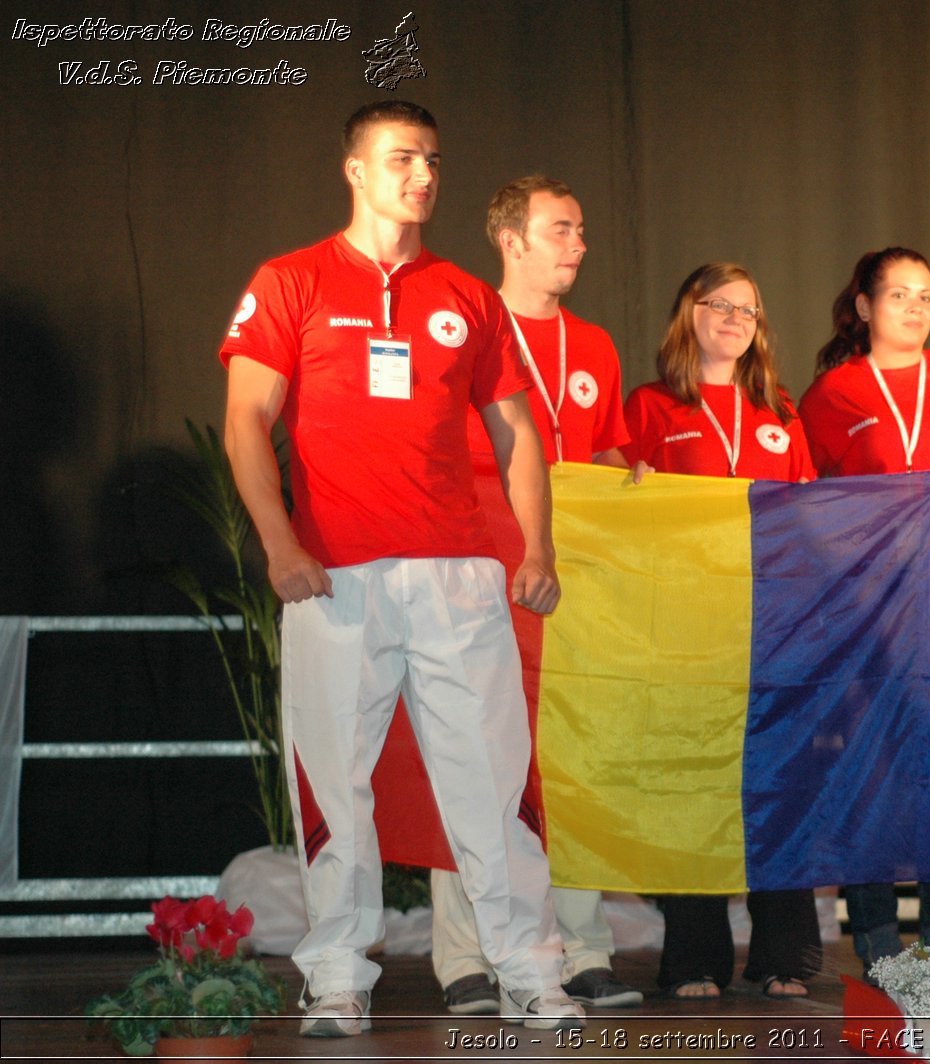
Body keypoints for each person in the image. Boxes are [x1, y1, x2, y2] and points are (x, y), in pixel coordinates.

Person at [219, 101, 581, 1035]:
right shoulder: (291, 280)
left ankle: (533, 972)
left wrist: (535, 546)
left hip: (460, 578)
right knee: (334, 783)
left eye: (430, 158)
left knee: (492, 781)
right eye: (400, 157)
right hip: (336, 578)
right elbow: (244, 422)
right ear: (355, 169)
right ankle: (336, 975)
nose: (421, 173)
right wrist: (280, 544)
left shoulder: (465, 294)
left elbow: (518, 434)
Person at [427, 174, 641, 1016]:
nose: (579, 244)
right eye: (561, 229)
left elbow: (611, 452)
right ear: (511, 239)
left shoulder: (592, 345)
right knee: (467, 761)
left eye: (582, 229)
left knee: (571, 768)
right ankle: (464, 960)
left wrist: (635, 483)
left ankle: (581, 953)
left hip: (571, 588)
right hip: (478, 580)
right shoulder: (462, 329)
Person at [800, 247, 930, 972]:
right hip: (870, 618)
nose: (917, 307)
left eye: (927, 294)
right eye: (900, 295)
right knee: (872, 770)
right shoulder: (832, 394)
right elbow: (807, 509)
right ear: (864, 306)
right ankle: (877, 942)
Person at [623, 262, 821, 997]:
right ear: (689, 311)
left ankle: (783, 955)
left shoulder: (781, 411)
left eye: (751, 309)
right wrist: (627, 491)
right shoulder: (648, 408)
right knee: (691, 788)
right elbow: (613, 509)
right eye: (721, 305)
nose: (737, 319)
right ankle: (696, 956)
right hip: (682, 627)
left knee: (778, 785)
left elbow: (807, 518)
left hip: (770, 625)